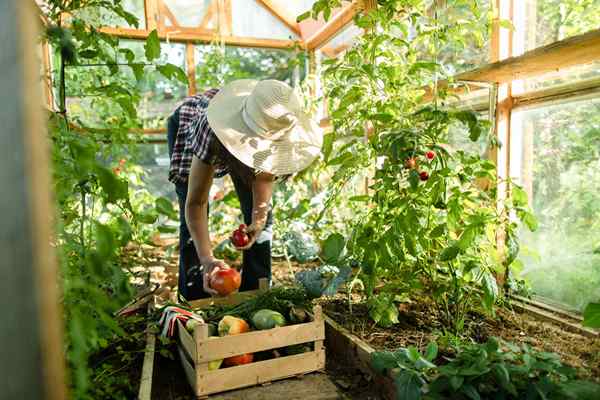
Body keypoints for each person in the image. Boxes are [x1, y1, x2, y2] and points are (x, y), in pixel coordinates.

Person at [167, 79, 323, 300]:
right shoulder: (211, 130)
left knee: (261, 219)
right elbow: (196, 203)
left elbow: (264, 181)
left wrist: (257, 223)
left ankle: (256, 294)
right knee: (191, 220)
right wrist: (208, 260)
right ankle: (194, 296)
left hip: (246, 130)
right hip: (190, 124)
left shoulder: (275, 125)